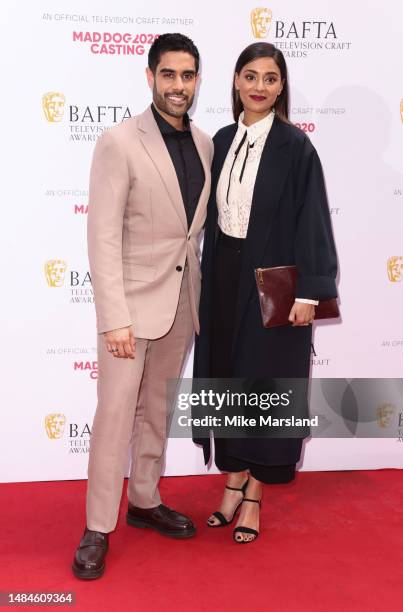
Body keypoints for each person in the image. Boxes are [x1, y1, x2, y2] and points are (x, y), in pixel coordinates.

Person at [72, 33, 213, 579]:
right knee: (114, 417)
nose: (179, 86)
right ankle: (96, 525)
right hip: (130, 307)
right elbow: (102, 236)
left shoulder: (204, 143)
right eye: (169, 74)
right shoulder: (119, 141)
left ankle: (145, 500)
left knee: (158, 411)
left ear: (197, 81)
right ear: (150, 75)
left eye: (188, 75)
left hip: (182, 302)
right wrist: (115, 317)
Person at [193, 42, 338, 544]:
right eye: (250, 76)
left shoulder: (295, 147)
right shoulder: (222, 138)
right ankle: (233, 479)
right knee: (229, 377)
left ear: (281, 87)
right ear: (235, 81)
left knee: (264, 386)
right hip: (223, 277)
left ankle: (253, 492)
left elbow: (313, 223)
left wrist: (309, 294)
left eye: (270, 78)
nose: (259, 86)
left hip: (273, 285)